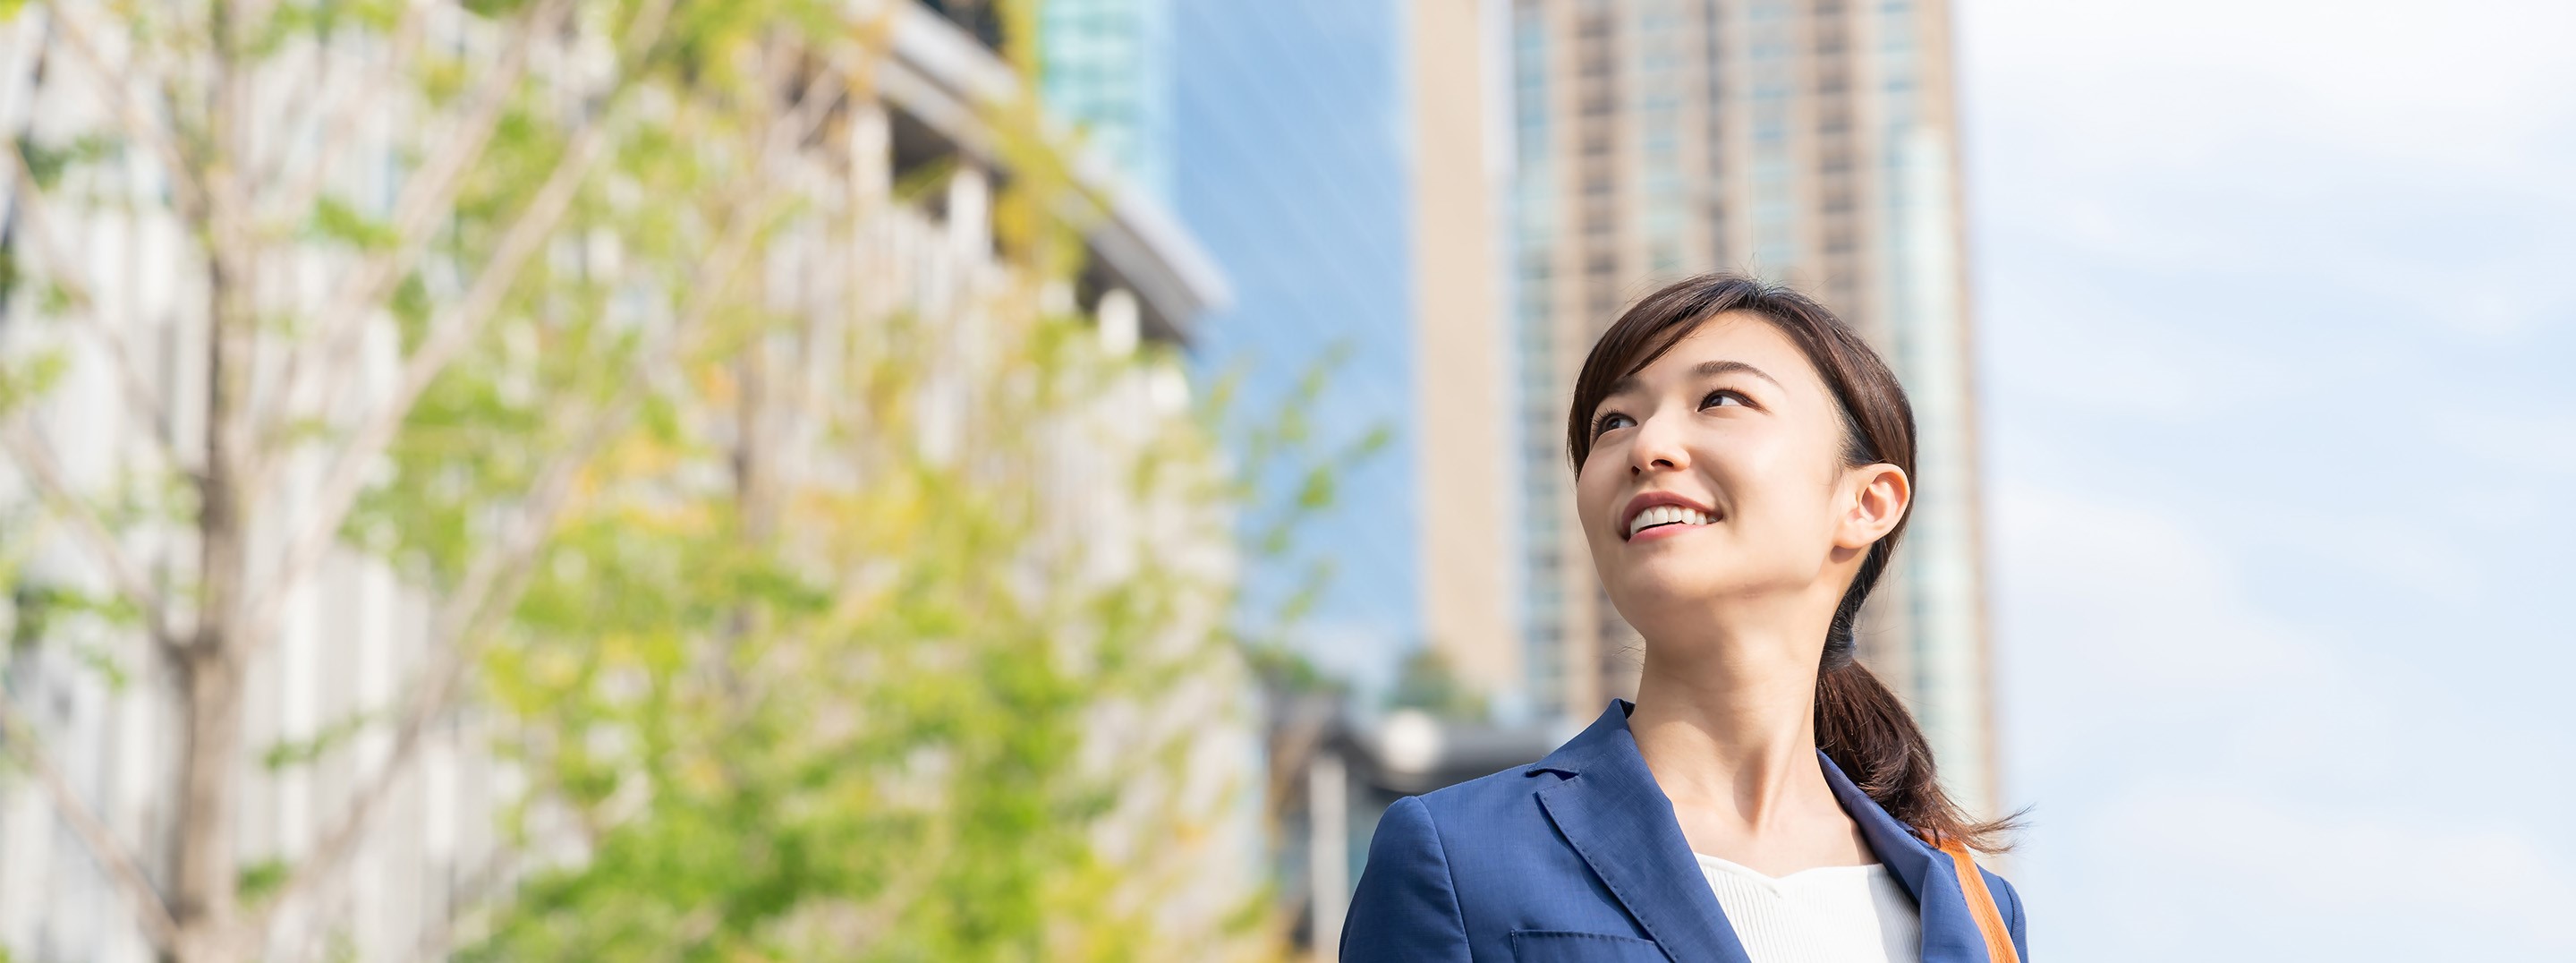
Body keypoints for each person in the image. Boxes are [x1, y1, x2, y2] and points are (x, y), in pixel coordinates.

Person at [1338, 274, 2028, 962]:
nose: (1647, 447)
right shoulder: (1460, 855)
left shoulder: (1976, 910)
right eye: (1614, 422)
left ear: (1865, 504)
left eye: (1721, 399)